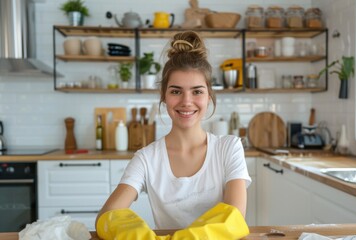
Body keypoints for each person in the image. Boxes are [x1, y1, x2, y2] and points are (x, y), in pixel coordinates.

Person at [96, 31, 251, 230]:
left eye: (197, 91)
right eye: (176, 91)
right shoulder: (146, 159)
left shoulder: (229, 148)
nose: (186, 102)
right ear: (164, 96)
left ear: (209, 96)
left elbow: (234, 218)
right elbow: (106, 217)